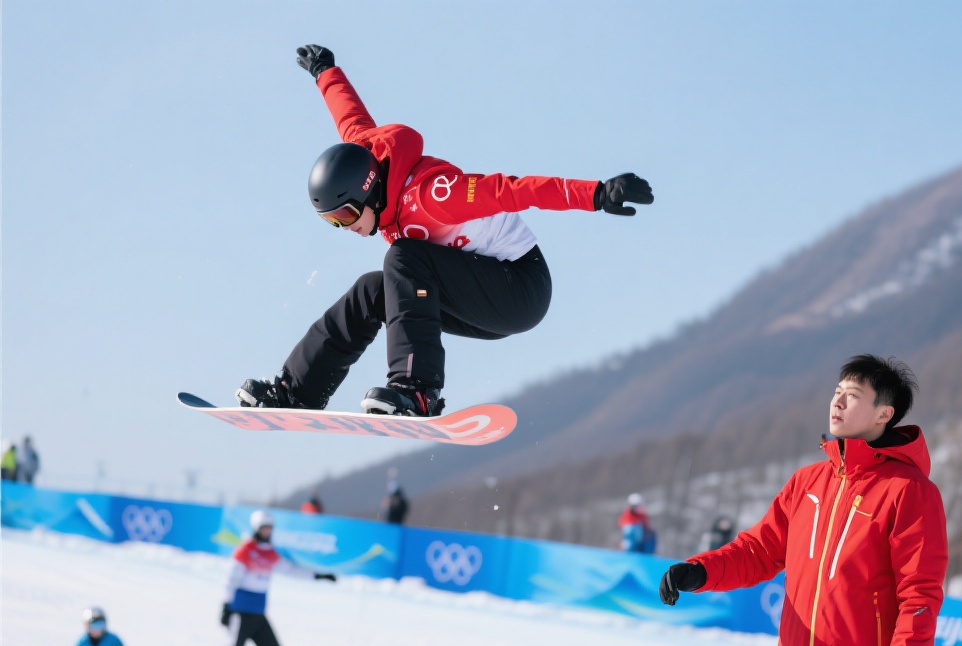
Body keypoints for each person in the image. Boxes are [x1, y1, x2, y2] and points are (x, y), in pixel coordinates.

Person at [236, 44, 653, 418]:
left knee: (403, 257)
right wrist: (325, 72)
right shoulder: (368, 156)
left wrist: (597, 193)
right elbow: (350, 119)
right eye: (331, 222)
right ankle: (295, 392)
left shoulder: (435, 195)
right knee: (372, 290)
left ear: (368, 190)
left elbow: (514, 190)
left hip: (521, 289)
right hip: (471, 287)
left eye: (344, 216)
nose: (344, 228)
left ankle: (418, 391)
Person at [659, 355, 948, 646]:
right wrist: (701, 570)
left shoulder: (910, 491)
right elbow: (758, 550)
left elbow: (919, 595)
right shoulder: (807, 483)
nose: (838, 403)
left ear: (885, 413)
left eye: (853, 396)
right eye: (837, 392)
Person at [194, 510, 337, 646]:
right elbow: (231, 579)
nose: (267, 531)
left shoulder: (270, 553)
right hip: (240, 612)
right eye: (264, 528)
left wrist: (318, 575)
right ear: (255, 528)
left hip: (258, 614)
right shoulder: (246, 550)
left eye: (270, 528)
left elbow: (291, 570)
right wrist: (226, 606)